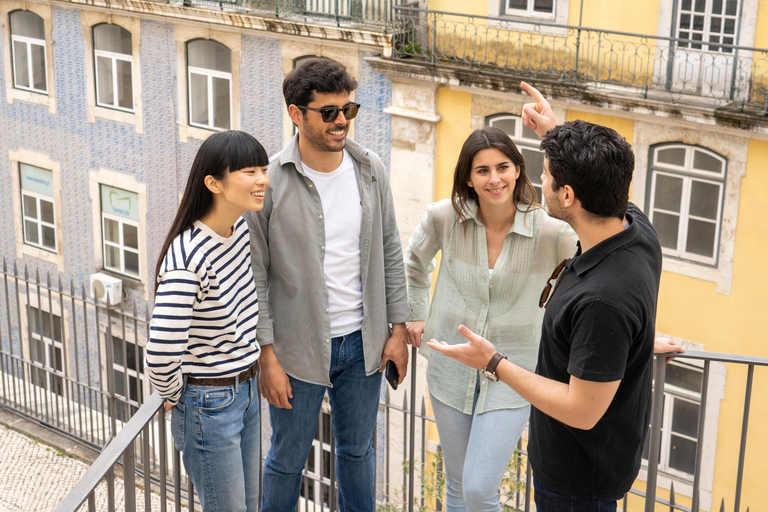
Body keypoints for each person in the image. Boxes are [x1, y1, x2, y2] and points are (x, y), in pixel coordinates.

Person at [428, 82, 668, 511]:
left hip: (577, 481)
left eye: (547, 175)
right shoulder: (636, 231)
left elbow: (581, 410)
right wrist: (554, 136)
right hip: (584, 468)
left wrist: (493, 362)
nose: (540, 179)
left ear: (568, 195)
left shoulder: (602, 300)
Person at [245, 57, 410, 512]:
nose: (341, 121)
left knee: (358, 452)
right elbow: (257, 274)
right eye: (329, 112)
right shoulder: (270, 182)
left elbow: (390, 249)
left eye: (348, 109)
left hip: (363, 344)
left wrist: (398, 330)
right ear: (296, 114)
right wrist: (267, 355)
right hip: (296, 349)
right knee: (286, 459)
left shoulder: (370, 169)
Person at [404, 127, 578, 512]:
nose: (494, 178)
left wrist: (640, 336)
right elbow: (413, 265)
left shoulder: (553, 232)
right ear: (468, 177)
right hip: (450, 367)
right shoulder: (443, 217)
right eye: (482, 170)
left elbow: (593, 283)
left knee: (479, 489)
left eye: (502, 167)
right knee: (457, 485)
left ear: (518, 170)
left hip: (514, 372)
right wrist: (416, 315)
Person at [145, 130, 270, 511]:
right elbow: (160, 353)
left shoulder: (239, 229)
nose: (262, 180)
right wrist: (173, 395)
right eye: (249, 172)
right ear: (214, 183)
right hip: (209, 404)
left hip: (246, 389)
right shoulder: (188, 259)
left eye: (263, 169)